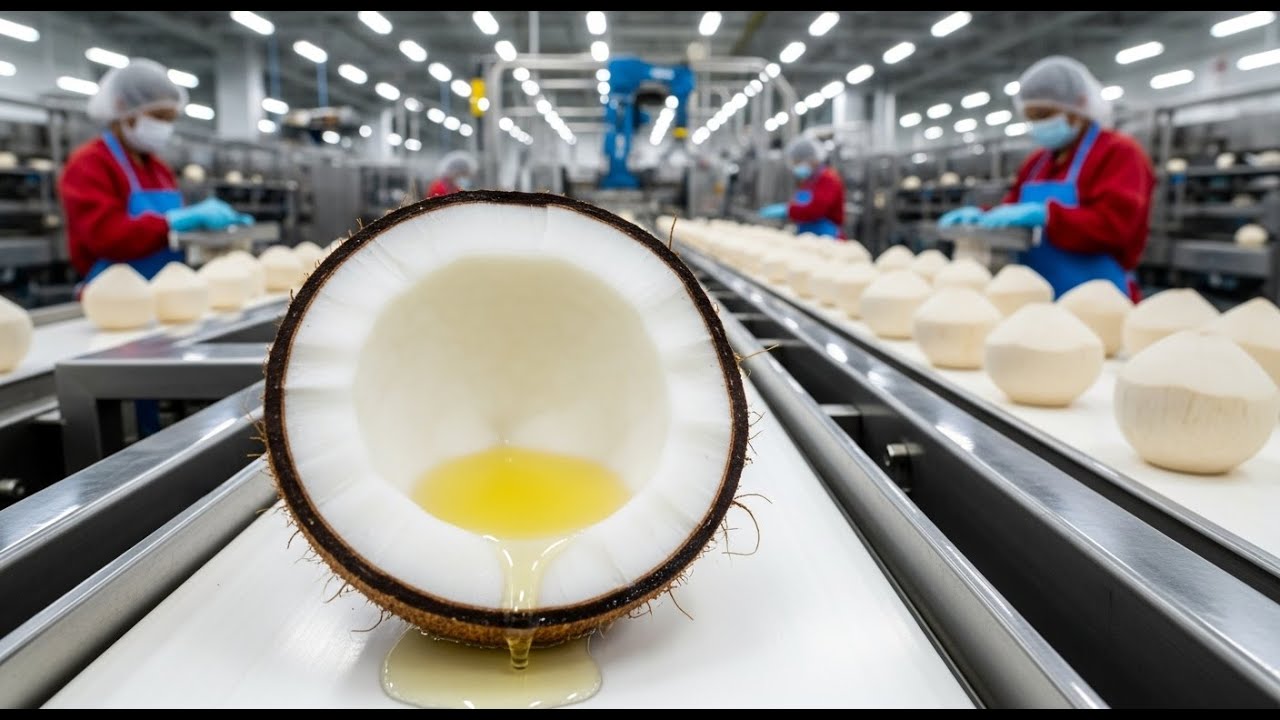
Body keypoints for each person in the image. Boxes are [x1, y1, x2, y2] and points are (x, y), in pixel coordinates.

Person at [938, 56, 1155, 301]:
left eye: (1044, 114)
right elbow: (1014, 209)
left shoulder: (1120, 153)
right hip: (1032, 296)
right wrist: (985, 216)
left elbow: (1116, 227)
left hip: (1099, 300)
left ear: (1080, 106)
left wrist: (1049, 216)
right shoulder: (1036, 162)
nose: (1037, 125)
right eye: (1031, 117)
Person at [60, 59, 251, 282]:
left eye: (170, 119)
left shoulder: (159, 169)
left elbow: (176, 233)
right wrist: (172, 222)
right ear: (123, 108)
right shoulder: (89, 163)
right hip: (113, 292)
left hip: (168, 286)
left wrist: (212, 231)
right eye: (158, 117)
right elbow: (105, 237)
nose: (164, 127)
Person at [758, 137, 846, 238]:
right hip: (807, 234)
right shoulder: (809, 181)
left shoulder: (829, 180)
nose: (796, 166)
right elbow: (800, 204)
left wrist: (787, 210)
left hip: (828, 237)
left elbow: (815, 210)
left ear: (811, 159)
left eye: (798, 162)